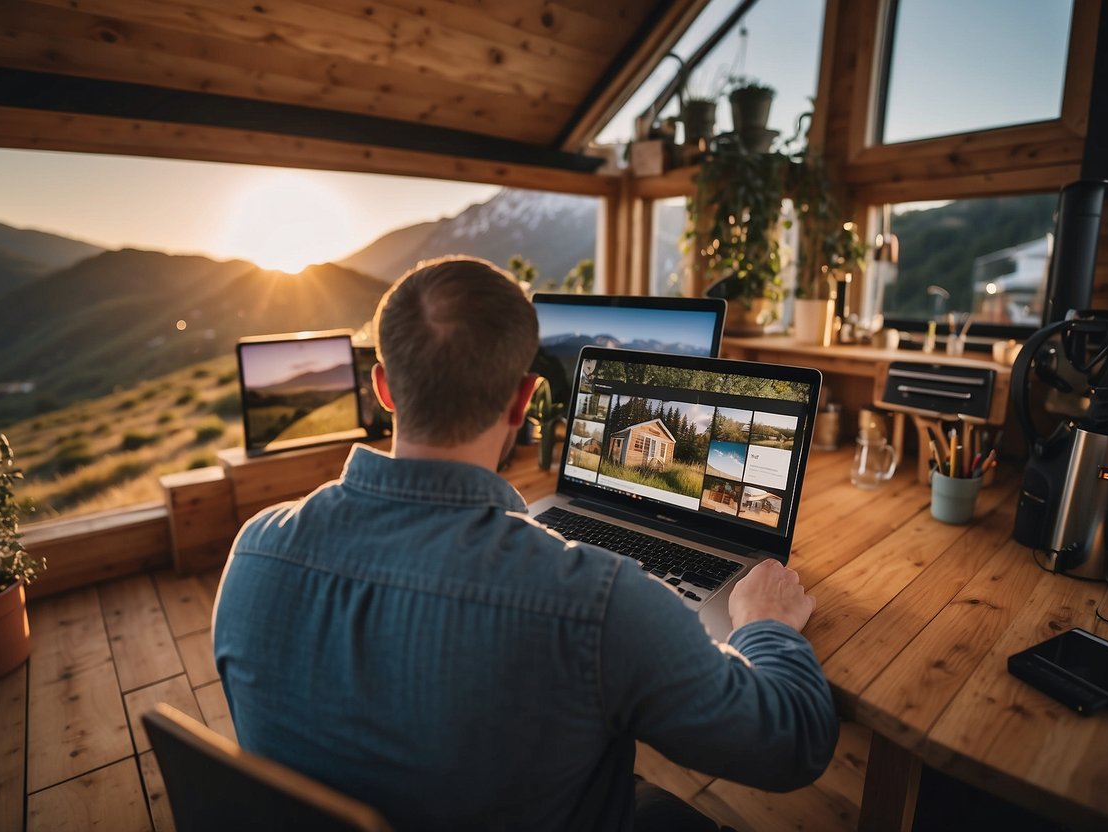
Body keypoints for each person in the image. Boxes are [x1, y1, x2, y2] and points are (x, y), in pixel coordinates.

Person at [213, 256, 838, 831]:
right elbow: (792, 744)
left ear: (382, 389)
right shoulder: (599, 599)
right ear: (521, 400)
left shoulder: (254, 551)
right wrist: (764, 623)